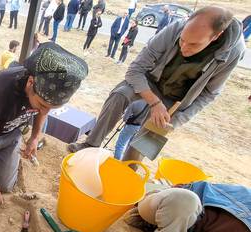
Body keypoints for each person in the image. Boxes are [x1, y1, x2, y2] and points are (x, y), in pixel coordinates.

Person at [68, 7, 246, 158]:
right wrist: (154, 102)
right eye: (182, 40)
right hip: (150, 81)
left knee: (150, 135)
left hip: (177, 99)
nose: (184, 48)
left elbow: (209, 93)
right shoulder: (176, 28)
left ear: (216, 36)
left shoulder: (233, 52)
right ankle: (91, 145)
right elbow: (135, 70)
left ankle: (128, 170)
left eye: (193, 45)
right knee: (120, 95)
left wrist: (178, 119)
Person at [0, 43, 88, 205]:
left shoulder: (43, 97)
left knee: (5, 186)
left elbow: (42, 112)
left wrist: (34, 137)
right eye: (42, 105)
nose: (44, 112)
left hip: (12, 133)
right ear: (30, 83)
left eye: (51, 109)